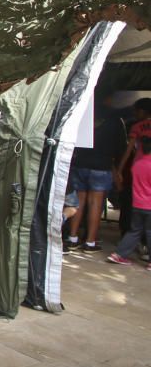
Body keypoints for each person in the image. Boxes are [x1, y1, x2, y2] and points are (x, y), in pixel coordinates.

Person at [66, 88, 127, 252]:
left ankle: (72, 237)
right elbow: (121, 146)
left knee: (78, 202)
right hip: (102, 166)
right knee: (95, 204)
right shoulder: (115, 119)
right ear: (108, 99)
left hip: (80, 163)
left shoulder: (84, 113)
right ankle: (90, 242)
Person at [109, 98, 151, 266]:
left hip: (138, 175)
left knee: (136, 224)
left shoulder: (137, 127)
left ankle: (122, 253)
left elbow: (128, 149)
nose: (134, 114)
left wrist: (119, 169)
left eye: (136, 110)